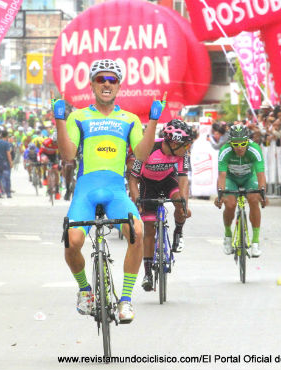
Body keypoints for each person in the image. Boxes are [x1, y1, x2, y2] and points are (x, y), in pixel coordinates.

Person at [52, 59, 166, 323]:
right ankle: (85, 291)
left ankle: (125, 300)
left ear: (119, 85)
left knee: (137, 232)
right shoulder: (78, 116)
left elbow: (142, 154)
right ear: (92, 84)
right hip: (86, 191)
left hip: (116, 191)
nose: (106, 83)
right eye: (101, 79)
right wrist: (59, 120)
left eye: (112, 79)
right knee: (72, 242)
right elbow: (68, 155)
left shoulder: (129, 119)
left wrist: (153, 122)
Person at [128, 119, 193, 291]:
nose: (187, 149)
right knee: (149, 228)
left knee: (180, 202)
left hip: (168, 181)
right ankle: (148, 273)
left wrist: (183, 204)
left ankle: (178, 232)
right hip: (148, 184)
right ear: (172, 142)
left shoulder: (182, 155)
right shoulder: (148, 149)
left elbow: (183, 180)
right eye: (184, 145)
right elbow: (133, 179)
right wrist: (137, 201)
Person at [214, 124, 267, 257]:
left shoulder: (255, 149)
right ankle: (227, 236)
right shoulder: (225, 150)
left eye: (243, 143)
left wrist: (263, 194)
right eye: (235, 144)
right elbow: (221, 175)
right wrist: (220, 195)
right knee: (230, 204)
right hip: (230, 180)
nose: (239, 147)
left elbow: (261, 174)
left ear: (247, 141)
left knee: (254, 199)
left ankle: (255, 242)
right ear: (230, 142)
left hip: (250, 178)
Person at [0, 130, 13, 198]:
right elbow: (8, 154)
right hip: (5, 163)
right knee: (7, 178)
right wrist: (10, 163)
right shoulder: (6, 143)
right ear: (7, 136)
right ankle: (8, 194)